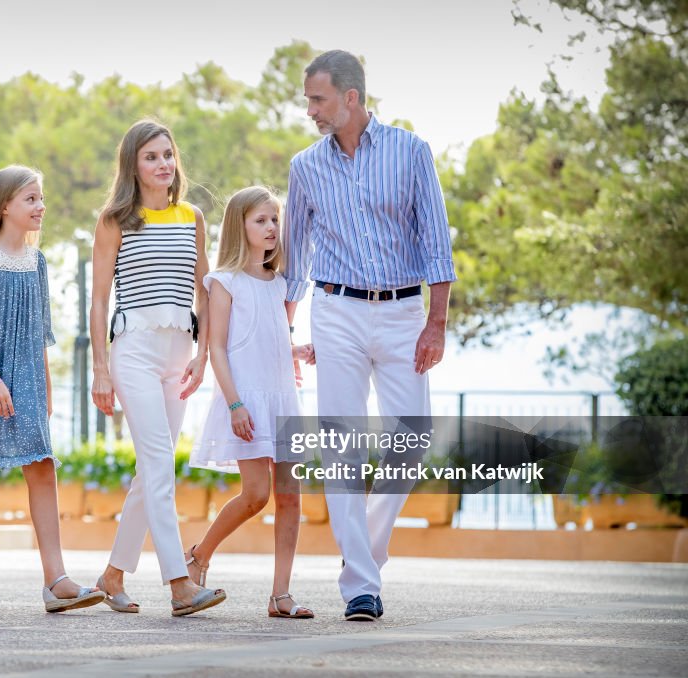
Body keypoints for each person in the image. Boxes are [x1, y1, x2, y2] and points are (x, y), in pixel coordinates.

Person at [283, 51, 456, 621]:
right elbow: (295, 257)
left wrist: (437, 322)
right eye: (309, 99)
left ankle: (367, 555)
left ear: (351, 98)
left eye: (318, 99)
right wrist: (284, 328)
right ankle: (361, 583)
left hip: (405, 311)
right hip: (335, 312)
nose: (310, 110)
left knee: (412, 440)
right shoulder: (305, 166)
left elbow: (435, 241)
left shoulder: (411, 152)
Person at [0, 165, 104, 614]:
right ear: (5, 204)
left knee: (43, 466)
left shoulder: (38, 262)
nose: (41, 207)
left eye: (41, 198)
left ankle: (57, 581)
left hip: (26, 382)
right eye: (31, 199)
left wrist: (45, 390)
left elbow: (39, 334)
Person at [90, 119, 226, 617]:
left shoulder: (192, 217)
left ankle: (112, 575)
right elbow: (99, 301)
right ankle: (179, 583)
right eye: (151, 156)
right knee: (159, 467)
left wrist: (204, 355)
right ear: (134, 165)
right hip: (134, 352)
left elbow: (205, 293)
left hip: (179, 355)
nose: (163, 164)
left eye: (168, 154)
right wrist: (100, 370)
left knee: (150, 475)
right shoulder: (114, 220)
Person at [186, 186, 317, 619]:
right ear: (239, 225)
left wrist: (297, 352)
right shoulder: (224, 281)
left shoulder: (280, 284)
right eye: (261, 220)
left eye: (275, 220)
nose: (272, 228)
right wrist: (234, 404)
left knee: (290, 497)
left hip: (283, 399)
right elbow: (220, 348)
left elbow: (271, 336)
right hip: (245, 401)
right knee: (256, 494)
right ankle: (199, 555)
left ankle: (281, 595)